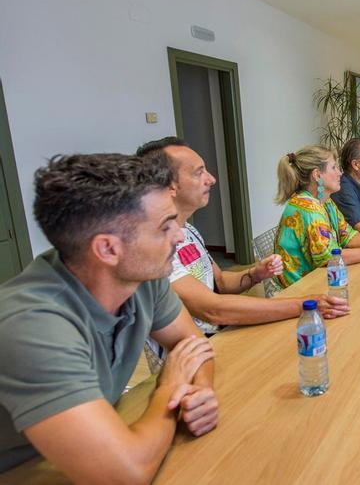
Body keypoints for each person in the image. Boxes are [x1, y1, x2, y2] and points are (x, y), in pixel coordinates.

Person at [0, 154, 217, 481]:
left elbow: (192, 345)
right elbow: (125, 474)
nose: (180, 236)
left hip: (86, 450)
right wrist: (169, 389)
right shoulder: (32, 325)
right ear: (108, 249)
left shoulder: (141, 275)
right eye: (164, 227)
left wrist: (198, 393)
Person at [135, 138, 349, 362]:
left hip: (223, 338)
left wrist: (255, 273)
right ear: (169, 186)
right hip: (194, 359)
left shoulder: (187, 231)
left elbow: (221, 283)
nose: (211, 179)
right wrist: (305, 304)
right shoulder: (154, 247)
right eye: (199, 173)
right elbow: (212, 309)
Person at [275, 145, 360, 286]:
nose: (340, 173)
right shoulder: (309, 208)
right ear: (317, 175)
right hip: (300, 291)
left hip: (321, 279)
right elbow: (331, 258)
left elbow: (348, 235)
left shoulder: (325, 201)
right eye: (334, 168)